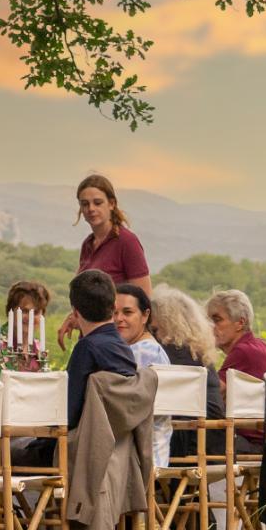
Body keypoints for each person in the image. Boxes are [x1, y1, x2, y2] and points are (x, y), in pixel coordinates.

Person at [59, 174, 149, 343]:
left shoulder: (126, 241)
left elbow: (143, 298)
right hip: (90, 338)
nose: (91, 208)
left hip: (116, 340)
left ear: (112, 204)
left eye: (97, 202)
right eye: (84, 204)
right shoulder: (88, 244)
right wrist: (75, 317)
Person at [206, 288, 266, 449]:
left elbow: (212, 391)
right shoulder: (255, 346)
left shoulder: (245, 351)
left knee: (193, 440)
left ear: (240, 323)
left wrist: (197, 350)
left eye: (217, 319)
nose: (209, 326)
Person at [151, 285, 225, 460]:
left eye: (154, 329)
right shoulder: (198, 354)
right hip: (216, 448)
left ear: (168, 323)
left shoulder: (168, 353)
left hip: (185, 448)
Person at [63, 269, 137, 429]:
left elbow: (67, 415)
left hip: (81, 446)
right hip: (120, 446)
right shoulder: (124, 348)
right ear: (114, 306)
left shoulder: (87, 348)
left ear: (75, 313)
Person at [113, 282, 172, 468]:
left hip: (139, 453)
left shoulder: (143, 353)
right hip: (153, 449)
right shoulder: (145, 349)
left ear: (145, 315)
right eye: (114, 313)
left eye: (127, 312)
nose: (119, 319)